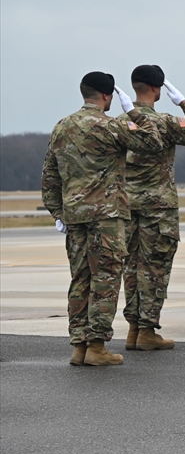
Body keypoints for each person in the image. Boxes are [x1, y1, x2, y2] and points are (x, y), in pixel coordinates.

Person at [41, 72, 165, 366]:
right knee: (105, 279)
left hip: (75, 216)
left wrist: (57, 212)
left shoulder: (63, 126)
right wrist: (133, 111)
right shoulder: (110, 127)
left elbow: (49, 174)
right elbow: (153, 141)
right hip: (106, 217)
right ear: (108, 96)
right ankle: (96, 346)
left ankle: (79, 345)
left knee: (80, 279)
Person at [119, 65, 185, 351]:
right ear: (158, 90)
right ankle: (147, 330)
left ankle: (133, 328)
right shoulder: (166, 122)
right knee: (154, 268)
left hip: (126, 206)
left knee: (131, 267)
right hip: (158, 208)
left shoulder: (120, 122)